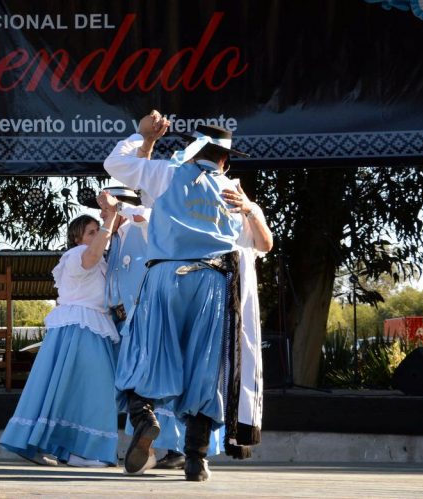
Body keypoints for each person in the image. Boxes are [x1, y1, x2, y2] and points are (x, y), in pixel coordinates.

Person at [105, 112, 273, 481]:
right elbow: (264, 245)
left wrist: (142, 137)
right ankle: (196, 459)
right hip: (214, 283)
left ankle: (145, 420)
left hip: (166, 274)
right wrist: (250, 210)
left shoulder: (166, 173)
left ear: (191, 149)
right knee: (205, 365)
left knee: (144, 352)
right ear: (225, 160)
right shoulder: (235, 192)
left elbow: (115, 165)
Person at [0, 202, 122, 468]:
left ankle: (64, 447)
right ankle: (84, 451)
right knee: (93, 389)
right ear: (78, 238)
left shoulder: (99, 260)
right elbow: (91, 257)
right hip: (80, 328)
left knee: (70, 390)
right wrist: (108, 224)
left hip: (87, 327)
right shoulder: (78, 254)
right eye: (91, 231)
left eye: (96, 231)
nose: (97, 235)